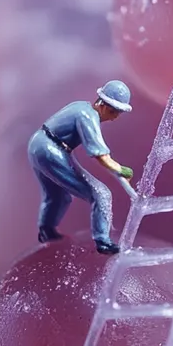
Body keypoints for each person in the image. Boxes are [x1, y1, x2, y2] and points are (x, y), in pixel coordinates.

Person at [27, 79, 136, 256]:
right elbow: (101, 156)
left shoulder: (81, 106)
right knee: (100, 193)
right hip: (51, 151)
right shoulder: (88, 116)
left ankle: (46, 230)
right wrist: (121, 169)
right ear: (102, 105)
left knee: (58, 196)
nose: (115, 117)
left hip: (37, 144)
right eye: (114, 111)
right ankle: (103, 241)